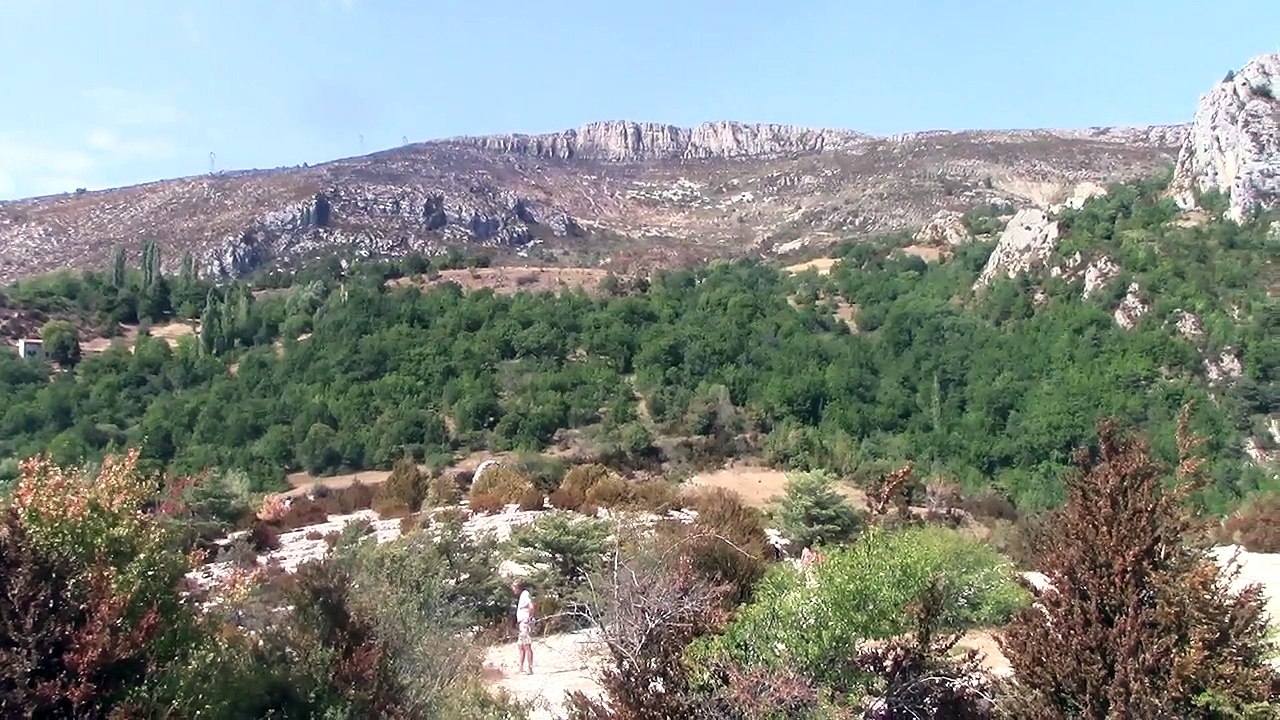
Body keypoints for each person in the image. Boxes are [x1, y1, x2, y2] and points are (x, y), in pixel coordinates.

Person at [513, 580, 535, 674]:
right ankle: (521, 667)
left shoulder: (525, 594)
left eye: (514, 588)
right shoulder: (522, 596)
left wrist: (529, 618)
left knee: (526, 645)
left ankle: (530, 668)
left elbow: (531, 606)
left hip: (525, 623)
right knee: (520, 645)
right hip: (522, 623)